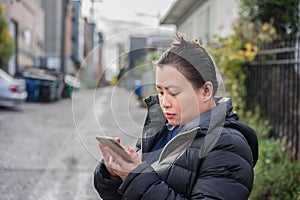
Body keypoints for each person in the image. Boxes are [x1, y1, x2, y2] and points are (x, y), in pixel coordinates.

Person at [94, 35, 258, 199]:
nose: (164, 102)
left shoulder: (228, 146)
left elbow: (141, 186)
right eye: (160, 92)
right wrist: (114, 174)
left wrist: (136, 177)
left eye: (173, 93)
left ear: (206, 91)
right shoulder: (162, 129)